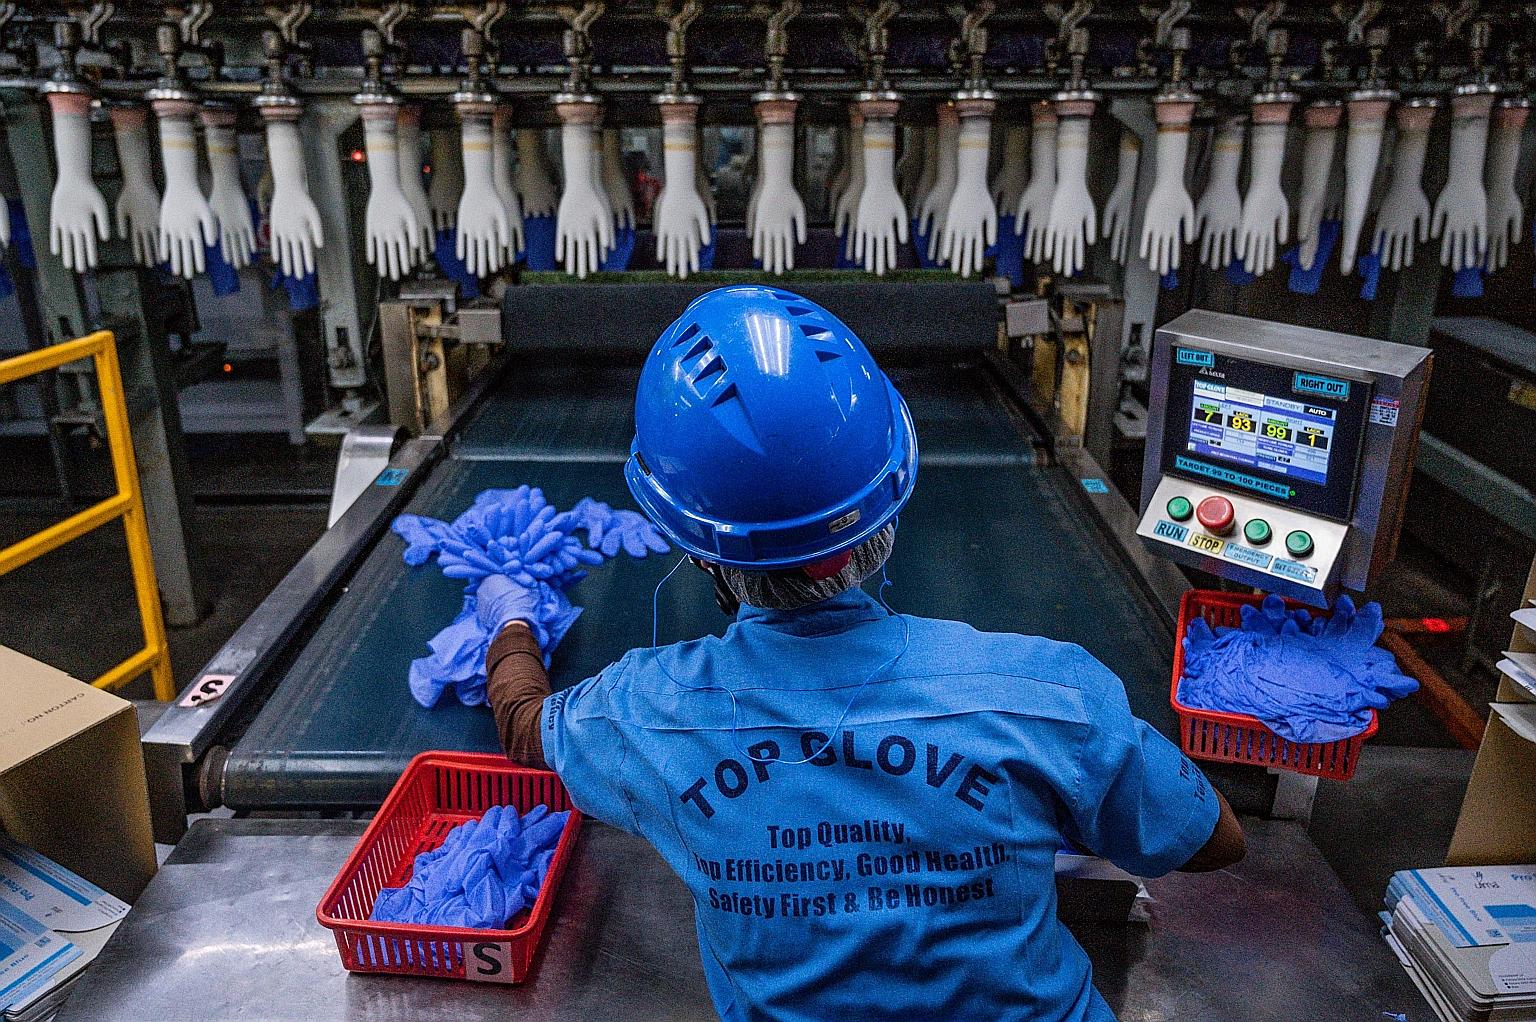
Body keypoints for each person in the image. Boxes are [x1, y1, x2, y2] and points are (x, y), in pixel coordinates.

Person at [480, 285, 1244, 1021]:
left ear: (699, 550)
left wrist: (511, 622)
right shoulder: (1046, 693)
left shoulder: (645, 712)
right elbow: (1214, 840)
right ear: (889, 501)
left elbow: (525, 725)